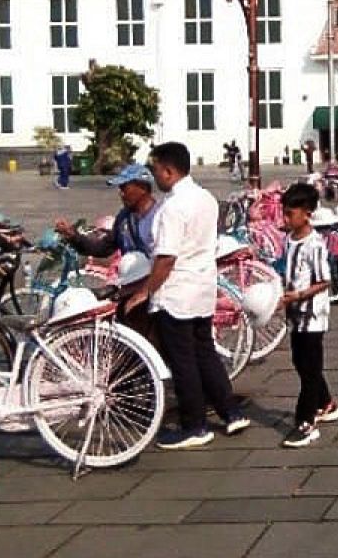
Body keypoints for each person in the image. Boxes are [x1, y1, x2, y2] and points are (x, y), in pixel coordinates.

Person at [144, 142, 248, 449]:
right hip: (202, 288)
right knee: (204, 351)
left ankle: (195, 425)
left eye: (156, 171)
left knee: (183, 361)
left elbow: (166, 257)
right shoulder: (205, 198)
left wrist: (145, 291)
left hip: (176, 292)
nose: (155, 177)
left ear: (168, 170)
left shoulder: (172, 206)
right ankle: (229, 410)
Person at [54, 163, 161, 336]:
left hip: (156, 293)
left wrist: (145, 292)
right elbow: (103, 248)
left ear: (142, 188)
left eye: (125, 187)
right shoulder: (124, 218)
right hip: (129, 287)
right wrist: (73, 236)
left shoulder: (161, 217)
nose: (121, 193)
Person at [278, 183, 338, 447]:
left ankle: (306, 422)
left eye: (289, 214)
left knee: (310, 368)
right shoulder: (288, 240)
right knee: (301, 362)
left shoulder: (314, 244)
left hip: (313, 316)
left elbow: (325, 280)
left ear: (306, 213)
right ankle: (326, 403)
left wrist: (300, 295)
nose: (285, 219)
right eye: (284, 213)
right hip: (296, 315)